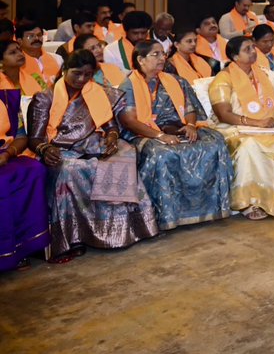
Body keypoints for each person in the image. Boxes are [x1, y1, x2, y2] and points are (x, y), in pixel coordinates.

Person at [27, 49, 159, 262]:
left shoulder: (96, 92)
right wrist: (44, 149)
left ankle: (120, 229)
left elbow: (110, 124)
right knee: (71, 170)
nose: (81, 79)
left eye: (87, 75)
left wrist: (113, 136)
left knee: (124, 152)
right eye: (76, 73)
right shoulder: (44, 98)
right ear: (64, 71)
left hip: (92, 143)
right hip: (58, 150)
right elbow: (34, 138)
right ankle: (74, 237)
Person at [116, 41, 233, 231]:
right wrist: (160, 136)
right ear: (140, 59)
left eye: (163, 54)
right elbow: (129, 120)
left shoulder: (175, 80)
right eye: (156, 54)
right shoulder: (128, 85)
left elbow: (189, 108)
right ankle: (167, 216)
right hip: (145, 133)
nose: (162, 58)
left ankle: (211, 209)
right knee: (162, 155)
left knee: (215, 143)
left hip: (177, 128)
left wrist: (191, 125)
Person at [208, 36, 274, 220]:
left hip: (268, 126)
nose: (254, 52)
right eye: (247, 49)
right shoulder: (223, 79)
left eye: (253, 47)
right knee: (249, 146)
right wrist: (257, 123)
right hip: (236, 127)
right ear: (234, 56)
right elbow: (223, 114)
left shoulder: (264, 73)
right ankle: (250, 202)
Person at [0, 39, 51, 270]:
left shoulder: (28, 81)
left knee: (35, 170)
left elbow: (20, 133)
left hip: (13, 149)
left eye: (19, 50)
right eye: (13, 52)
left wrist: (8, 153)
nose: (20, 54)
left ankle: (28, 246)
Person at [106, 10, 153, 75]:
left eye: (143, 33)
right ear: (126, 31)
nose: (140, 36)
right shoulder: (111, 50)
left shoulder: (154, 47)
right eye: (135, 33)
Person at [16, 22, 62, 88]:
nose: (36, 38)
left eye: (39, 35)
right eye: (31, 36)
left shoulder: (57, 59)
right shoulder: (15, 63)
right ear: (19, 41)